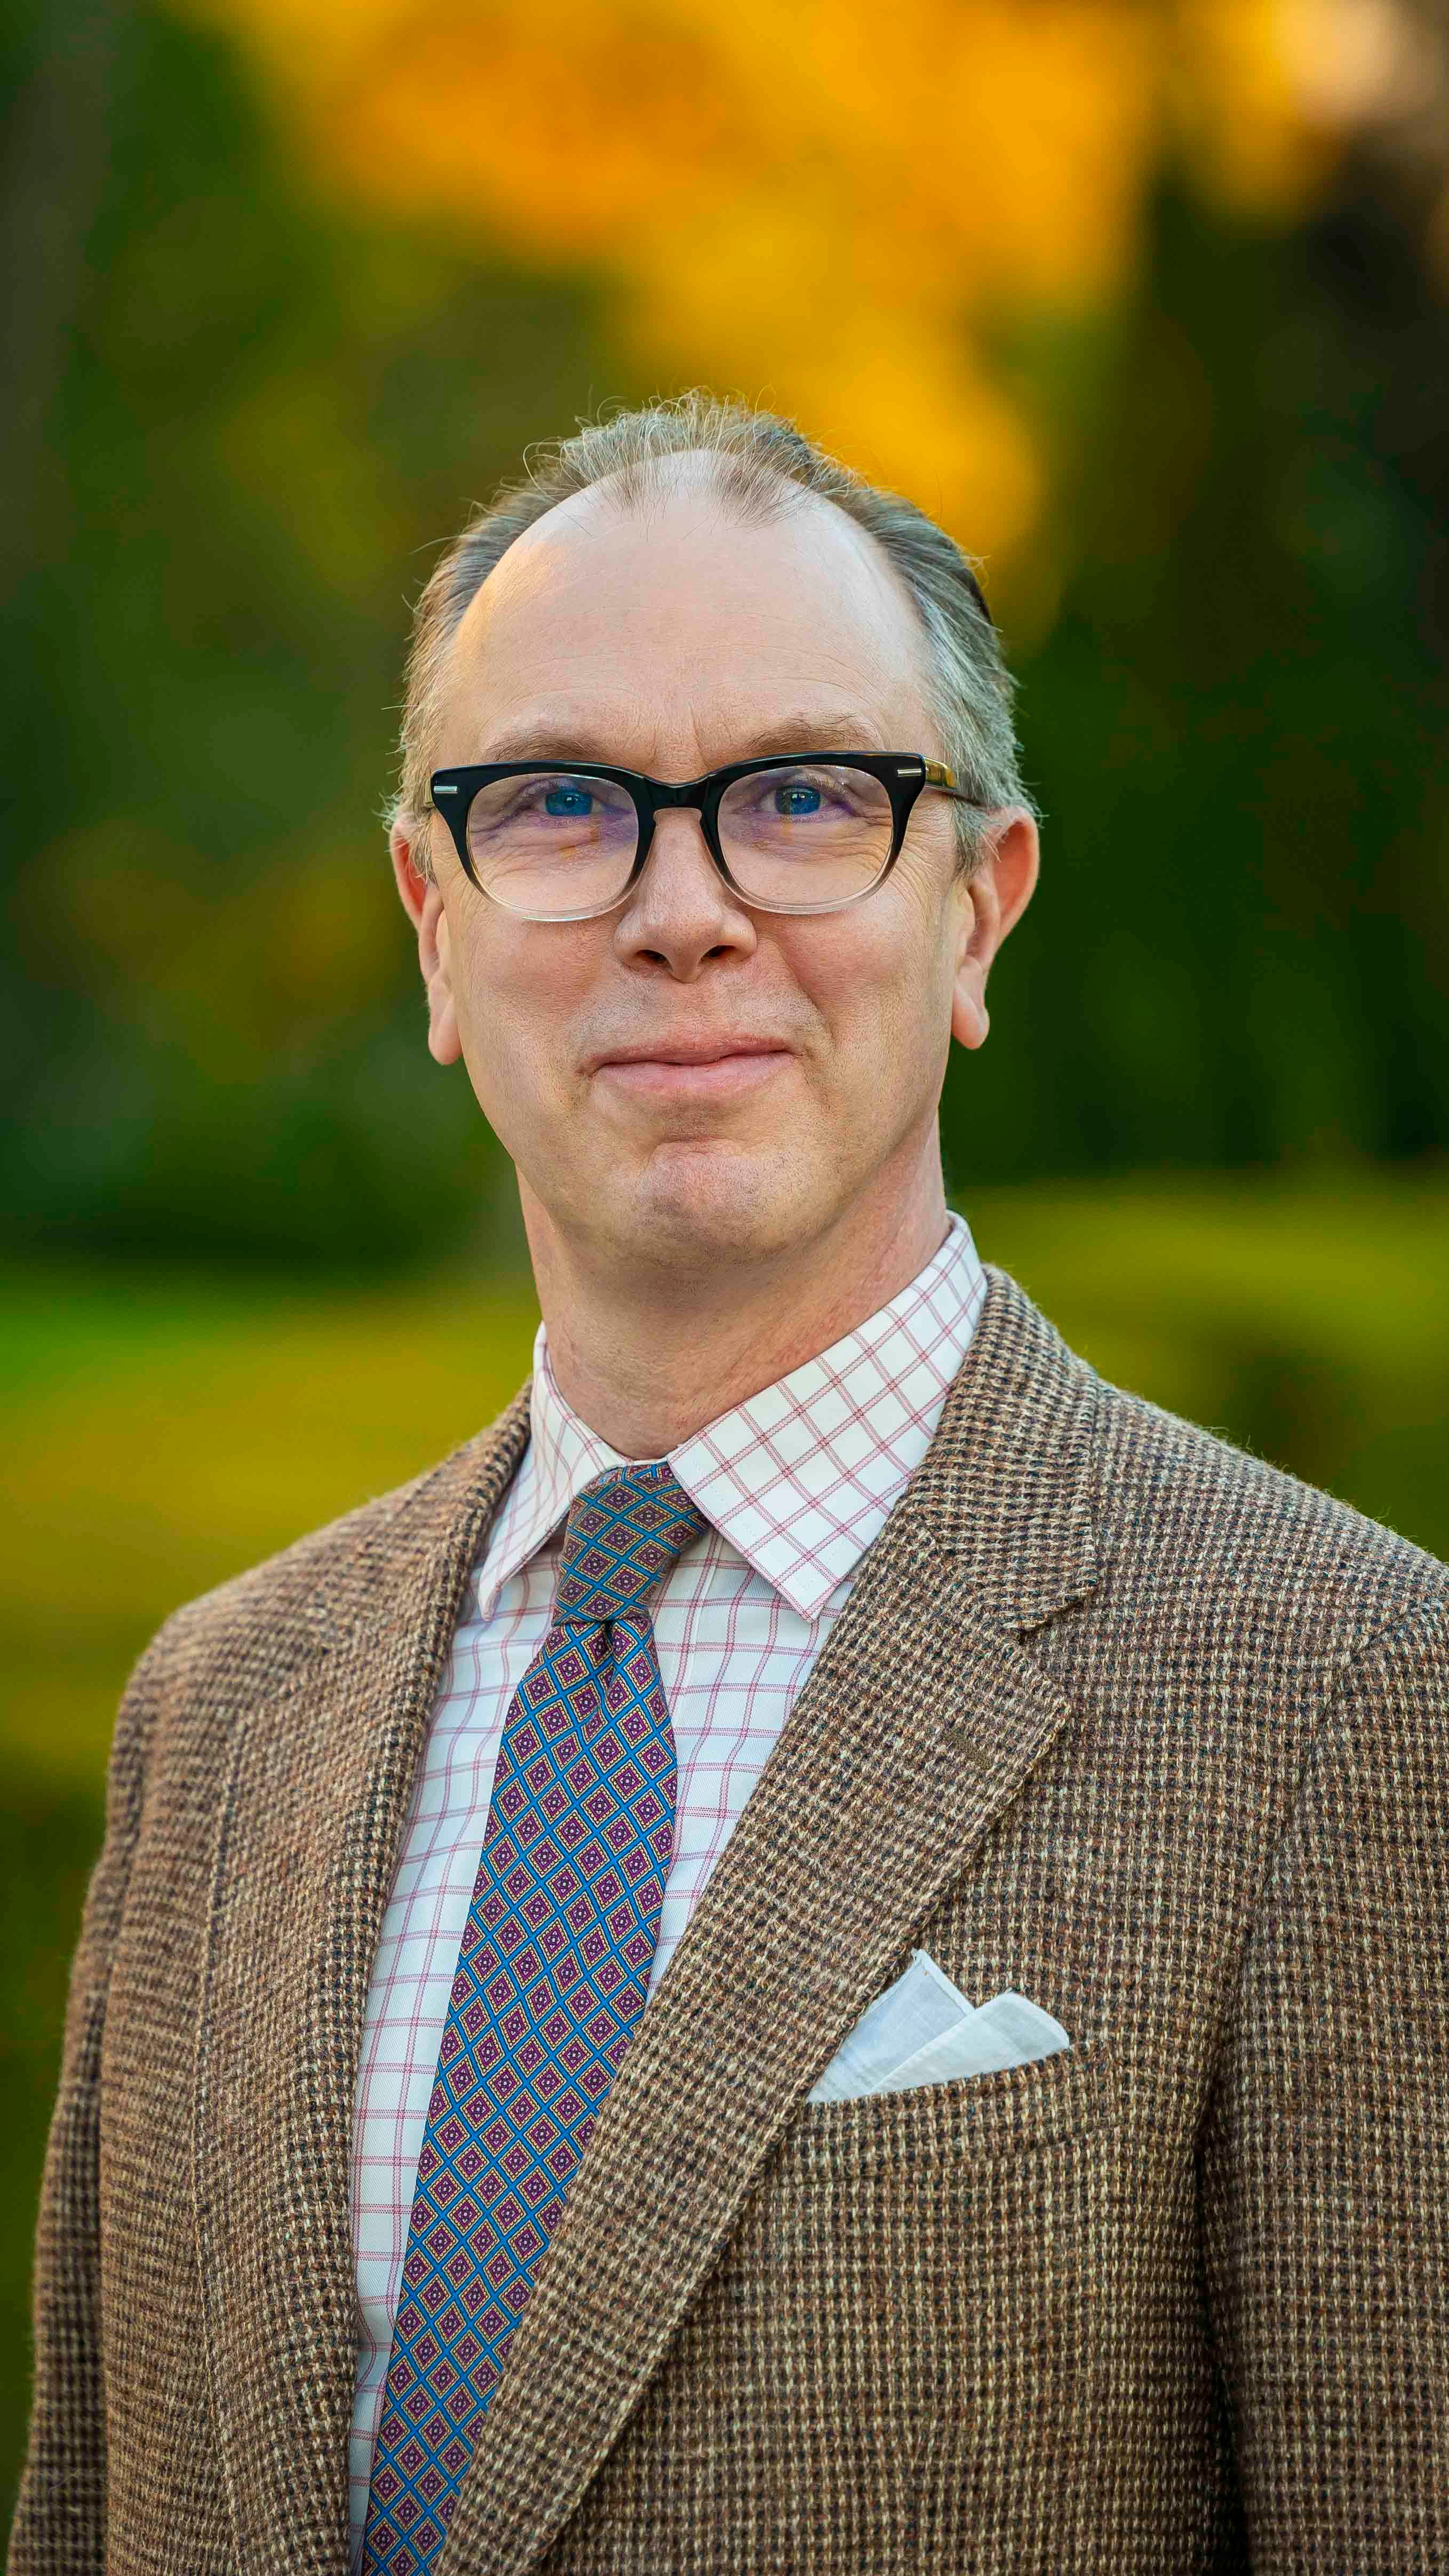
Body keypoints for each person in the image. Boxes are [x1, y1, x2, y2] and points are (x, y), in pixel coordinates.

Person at [12, 394, 1447, 2576]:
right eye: (565, 803)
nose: (682, 911)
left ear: (976, 906)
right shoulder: (222, 1710)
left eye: (799, 795)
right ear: (432, 919)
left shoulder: (1350, 1693)